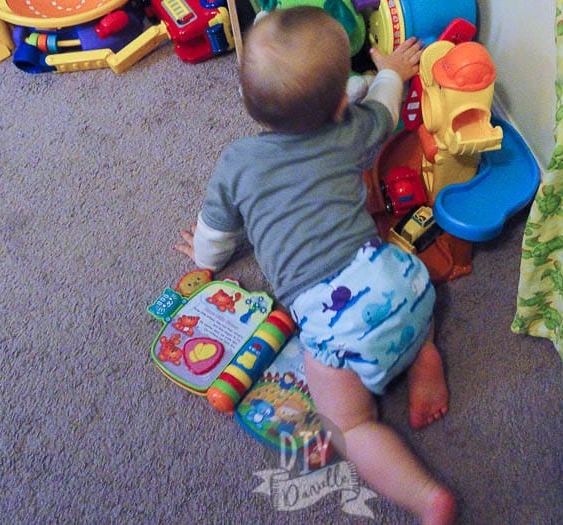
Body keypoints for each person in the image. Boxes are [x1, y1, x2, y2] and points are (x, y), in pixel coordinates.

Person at [174, 6, 456, 524]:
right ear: (340, 104)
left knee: (348, 426)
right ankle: (423, 353)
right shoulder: (349, 131)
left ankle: (424, 497)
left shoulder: (237, 163)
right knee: (404, 297)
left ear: (246, 101)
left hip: (335, 319)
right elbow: (387, 111)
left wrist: (203, 256)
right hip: (402, 283)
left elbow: (215, 236)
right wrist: (392, 69)